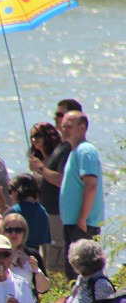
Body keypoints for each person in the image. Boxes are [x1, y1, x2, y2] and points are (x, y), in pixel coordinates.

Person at [28, 106, 76, 273]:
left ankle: (58, 284)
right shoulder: (39, 159)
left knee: (56, 250)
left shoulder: (59, 154)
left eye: (38, 135)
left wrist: (40, 168)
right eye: (32, 136)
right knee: (45, 252)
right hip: (42, 213)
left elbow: (60, 180)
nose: (34, 139)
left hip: (57, 212)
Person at [58, 110, 104, 267]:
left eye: (69, 126)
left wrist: (82, 219)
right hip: (73, 223)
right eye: (62, 126)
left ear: (82, 128)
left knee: (85, 269)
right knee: (74, 271)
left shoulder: (85, 150)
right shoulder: (75, 151)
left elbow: (91, 185)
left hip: (83, 224)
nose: (63, 129)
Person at [4, 173, 51, 251]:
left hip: (14, 257)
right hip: (34, 257)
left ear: (16, 192)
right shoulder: (43, 212)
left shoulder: (13, 212)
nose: (10, 196)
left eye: (10, 191)